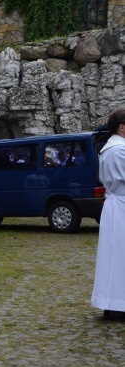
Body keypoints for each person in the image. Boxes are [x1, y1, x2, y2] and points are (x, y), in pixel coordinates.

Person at [92, 108, 125, 315]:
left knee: (115, 255)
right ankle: (116, 304)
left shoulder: (110, 148)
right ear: (122, 128)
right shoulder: (119, 150)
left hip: (117, 204)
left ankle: (113, 302)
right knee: (119, 255)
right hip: (121, 205)